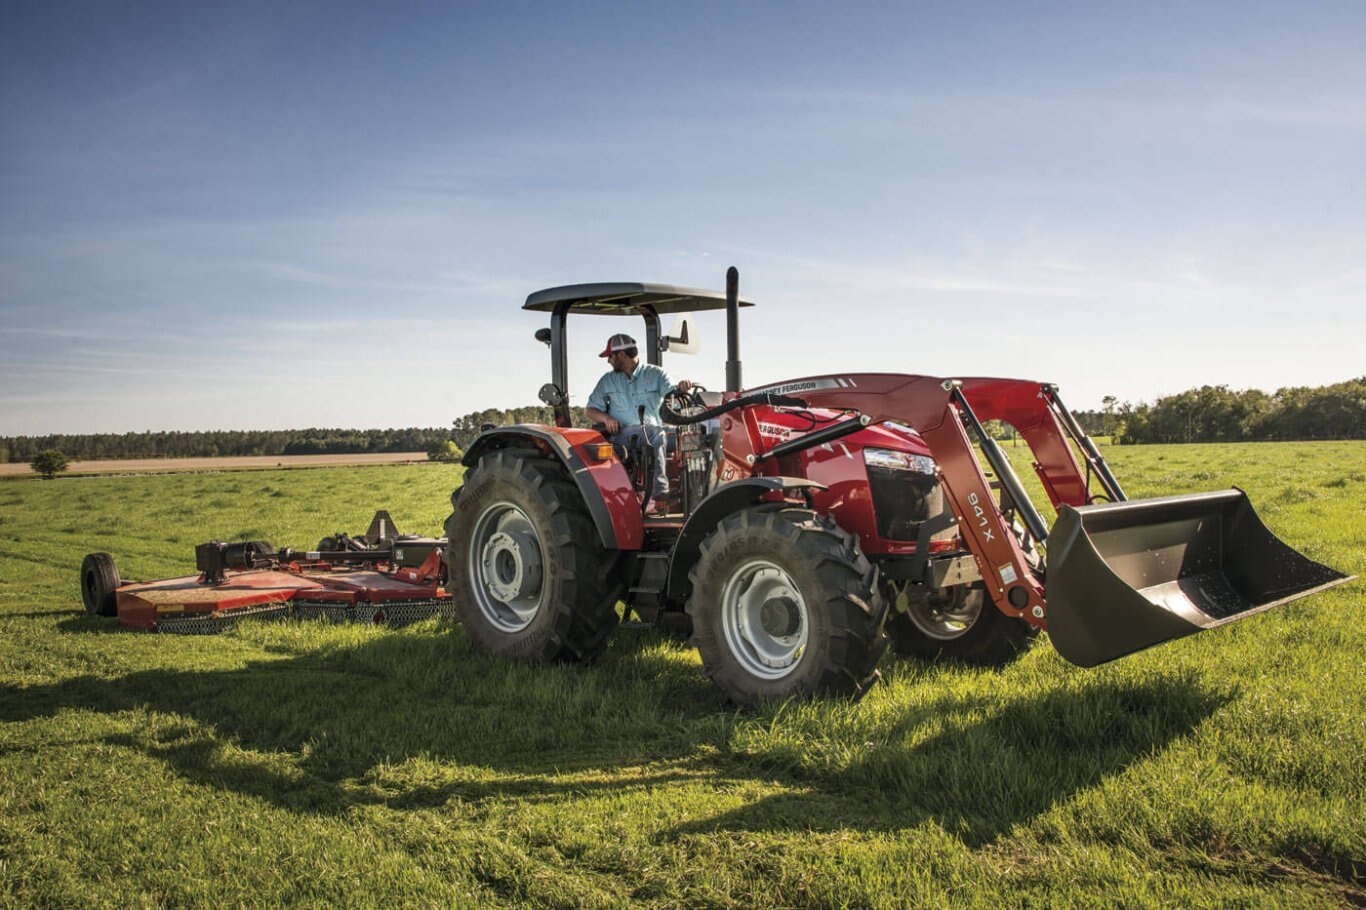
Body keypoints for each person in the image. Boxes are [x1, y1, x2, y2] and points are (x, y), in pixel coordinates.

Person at [584, 333, 692, 514]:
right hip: (624, 434)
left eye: (610, 356)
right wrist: (607, 419)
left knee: (691, 436)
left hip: (655, 432)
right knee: (656, 433)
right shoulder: (607, 380)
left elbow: (674, 396)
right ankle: (660, 490)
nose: (608, 361)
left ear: (622, 355)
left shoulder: (656, 374)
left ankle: (694, 493)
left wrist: (682, 388)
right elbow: (590, 410)